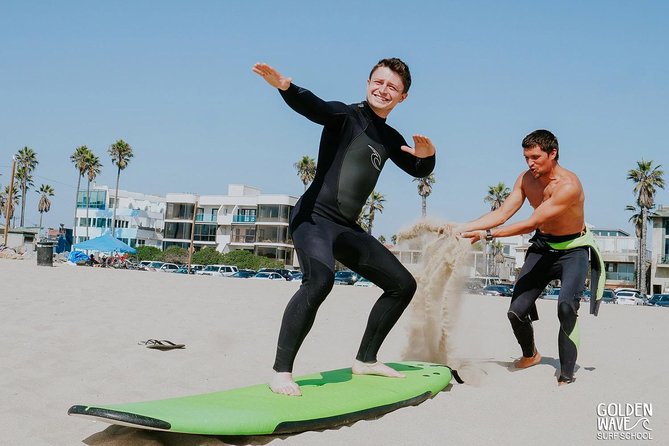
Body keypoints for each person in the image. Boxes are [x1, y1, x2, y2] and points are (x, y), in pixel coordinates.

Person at [253, 58, 436, 395]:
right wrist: (286, 88)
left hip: (346, 227)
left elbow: (417, 169)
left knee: (402, 285)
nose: (383, 90)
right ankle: (281, 372)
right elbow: (317, 108)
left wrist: (429, 155)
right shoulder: (346, 116)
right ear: (368, 83)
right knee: (320, 280)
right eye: (378, 82)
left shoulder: (390, 137)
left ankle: (366, 359)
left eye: (392, 87)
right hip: (314, 219)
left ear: (402, 97)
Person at [450, 129, 603, 385]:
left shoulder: (568, 186)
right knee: (516, 312)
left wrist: (488, 235)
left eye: (535, 157)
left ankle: (566, 375)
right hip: (542, 248)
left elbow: (532, 221)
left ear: (552, 153)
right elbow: (502, 213)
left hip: (572, 251)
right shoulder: (526, 179)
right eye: (526, 158)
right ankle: (530, 355)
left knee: (566, 307)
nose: (530, 163)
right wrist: (462, 227)